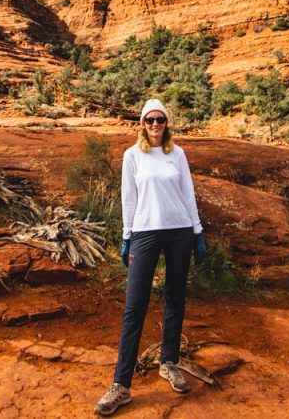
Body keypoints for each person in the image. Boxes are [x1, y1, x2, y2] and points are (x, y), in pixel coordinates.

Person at [95, 98, 206, 416]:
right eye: (149, 120)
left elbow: (188, 193)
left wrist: (197, 231)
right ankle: (121, 385)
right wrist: (127, 236)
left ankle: (169, 362)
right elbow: (128, 199)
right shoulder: (133, 155)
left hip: (180, 231)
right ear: (142, 123)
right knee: (134, 307)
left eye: (160, 120)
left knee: (175, 297)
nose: (155, 125)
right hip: (145, 233)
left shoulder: (178, 153)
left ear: (166, 123)